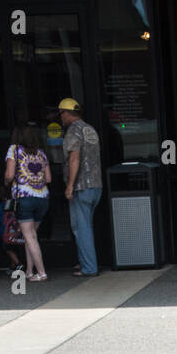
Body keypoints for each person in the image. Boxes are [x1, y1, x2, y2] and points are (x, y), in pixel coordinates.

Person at [58, 97, 102, 276]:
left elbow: (74, 158)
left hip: (81, 186)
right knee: (87, 226)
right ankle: (85, 262)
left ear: (66, 113)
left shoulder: (73, 131)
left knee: (81, 228)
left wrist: (70, 185)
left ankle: (89, 268)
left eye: (61, 113)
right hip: (96, 185)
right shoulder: (89, 129)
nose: (60, 117)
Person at [4, 125, 51, 281]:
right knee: (31, 235)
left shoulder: (14, 149)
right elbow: (49, 179)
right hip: (42, 198)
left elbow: (10, 175)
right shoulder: (42, 153)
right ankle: (30, 272)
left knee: (29, 236)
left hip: (24, 197)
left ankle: (42, 273)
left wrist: (6, 181)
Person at [0, 184, 25, 272]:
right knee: (14, 248)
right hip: (17, 229)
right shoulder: (16, 204)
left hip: (5, 231)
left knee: (8, 249)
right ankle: (13, 266)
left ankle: (18, 264)